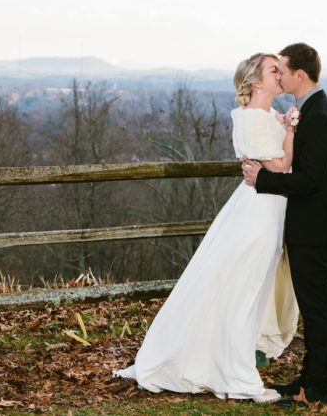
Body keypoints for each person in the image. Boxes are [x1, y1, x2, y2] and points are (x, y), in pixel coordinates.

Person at [114, 53, 299, 403]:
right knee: (242, 291)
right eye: (273, 70)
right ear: (256, 82)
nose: (280, 74)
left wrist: (285, 126)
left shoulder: (266, 116)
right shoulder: (253, 119)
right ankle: (238, 375)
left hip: (270, 209)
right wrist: (290, 130)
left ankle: (226, 357)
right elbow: (280, 163)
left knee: (248, 290)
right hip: (257, 214)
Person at [242, 42, 327, 407]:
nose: (279, 76)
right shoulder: (312, 109)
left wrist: (263, 180)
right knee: (313, 309)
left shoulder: (318, 116)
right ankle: (307, 379)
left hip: (313, 231)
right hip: (310, 228)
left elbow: (310, 180)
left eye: (282, 70)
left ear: (300, 74)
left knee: (317, 310)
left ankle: (317, 390)